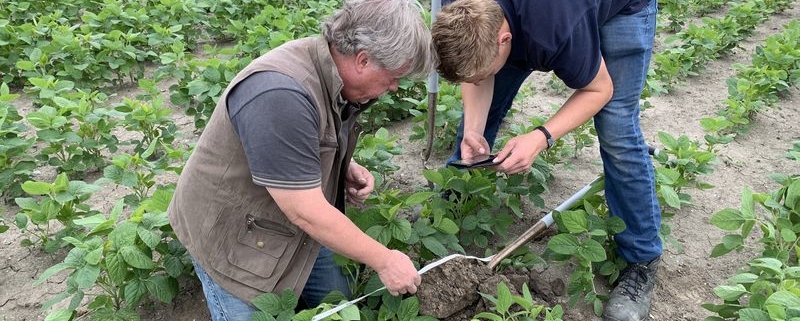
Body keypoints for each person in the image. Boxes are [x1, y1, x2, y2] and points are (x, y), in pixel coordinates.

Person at [167, 0, 435, 319]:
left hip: (292, 221)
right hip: (235, 237)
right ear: (363, 60)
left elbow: (303, 137)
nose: (393, 88)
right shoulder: (281, 93)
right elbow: (305, 211)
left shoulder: (329, 71)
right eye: (394, 77)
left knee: (338, 305)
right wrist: (385, 260)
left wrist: (338, 163)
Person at [431, 0, 661, 320]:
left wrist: (540, 136)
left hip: (619, 9)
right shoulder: (458, 10)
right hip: (528, 21)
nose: (473, 82)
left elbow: (599, 89)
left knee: (617, 132)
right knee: (482, 97)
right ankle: (451, 200)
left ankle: (641, 260)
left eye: (478, 75)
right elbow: (478, 77)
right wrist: (473, 128)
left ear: (504, 39)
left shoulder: (553, 27)